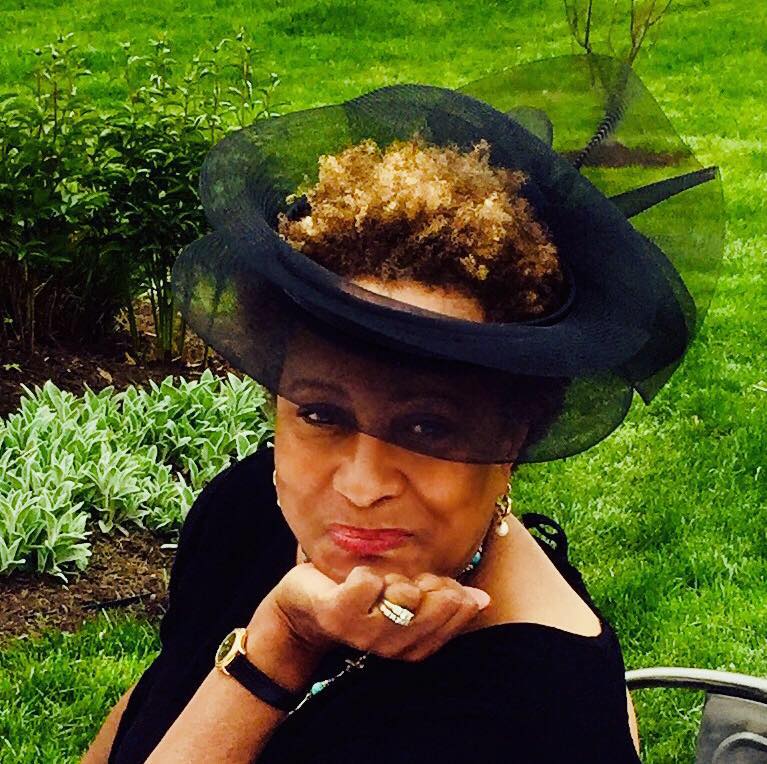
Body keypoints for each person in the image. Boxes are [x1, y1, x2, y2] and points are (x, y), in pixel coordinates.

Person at [83, 55, 722, 763]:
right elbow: (152, 705)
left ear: (513, 437)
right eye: (321, 414)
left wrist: (280, 648)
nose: (361, 486)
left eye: (426, 427)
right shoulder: (247, 512)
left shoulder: (537, 714)